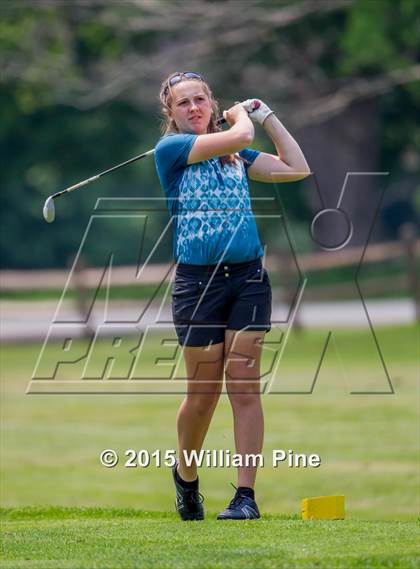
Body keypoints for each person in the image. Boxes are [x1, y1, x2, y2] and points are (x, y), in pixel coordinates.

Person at [154, 71, 310, 521]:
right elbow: (238, 133)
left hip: (247, 278)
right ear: (172, 113)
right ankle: (185, 476)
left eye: (200, 99)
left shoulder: (235, 154)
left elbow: (296, 167)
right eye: (183, 103)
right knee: (203, 395)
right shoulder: (173, 151)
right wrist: (244, 117)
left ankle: (246, 498)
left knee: (244, 387)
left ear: (210, 101)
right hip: (197, 284)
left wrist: (268, 116)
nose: (194, 108)